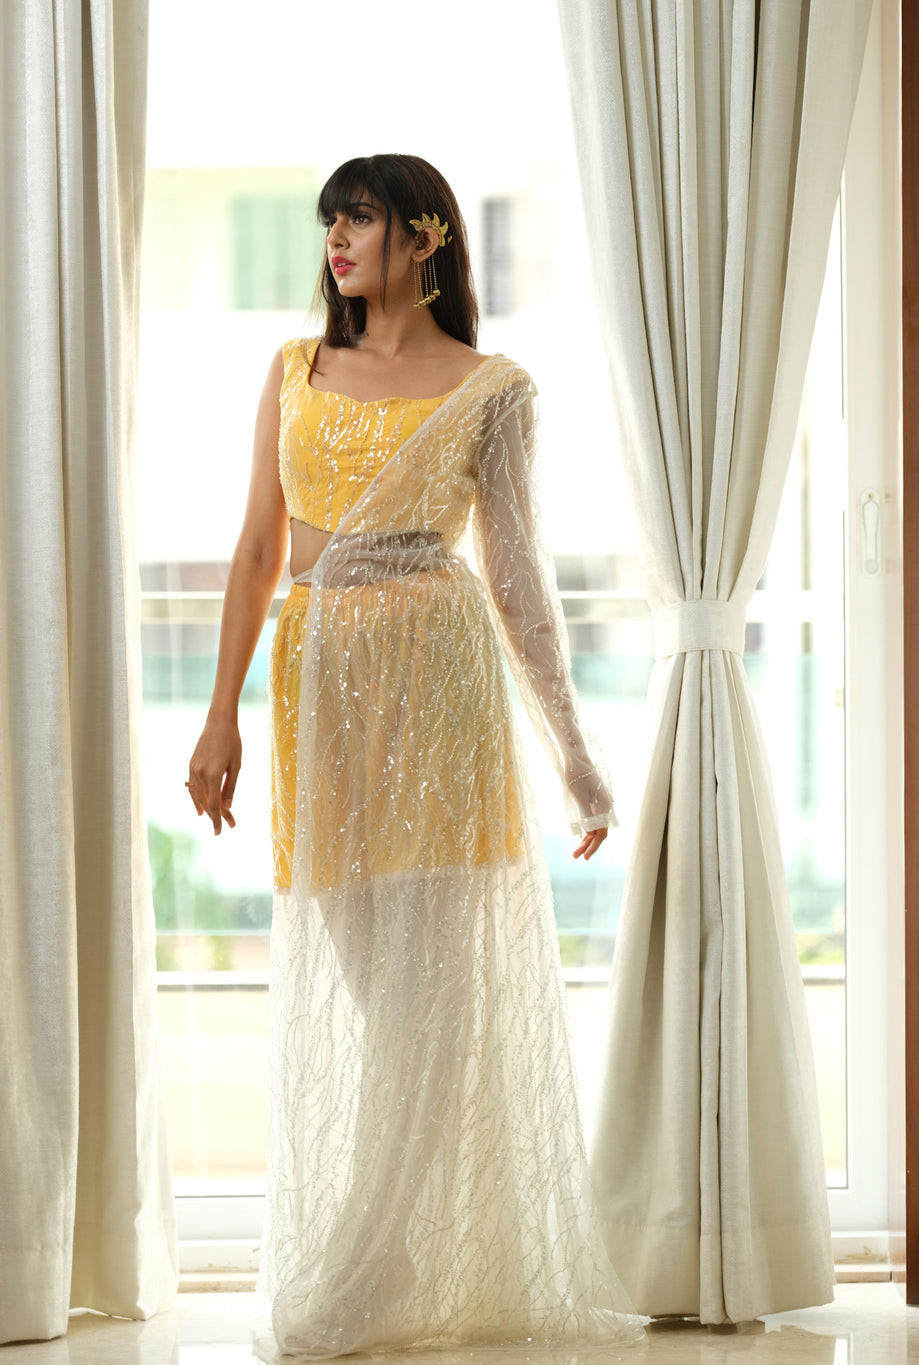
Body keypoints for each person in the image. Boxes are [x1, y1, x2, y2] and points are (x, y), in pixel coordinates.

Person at [187, 154, 645, 1360]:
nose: (337, 238)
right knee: (372, 996)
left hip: (439, 690)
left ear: (426, 237)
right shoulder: (294, 370)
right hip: (316, 688)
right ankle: (394, 1260)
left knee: (431, 1009)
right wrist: (217, 713)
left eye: (361, 218)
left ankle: (364, 1273)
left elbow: (516, 578)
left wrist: (576, 760)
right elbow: (252, 553)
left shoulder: (493, 388)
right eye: (329, 219)